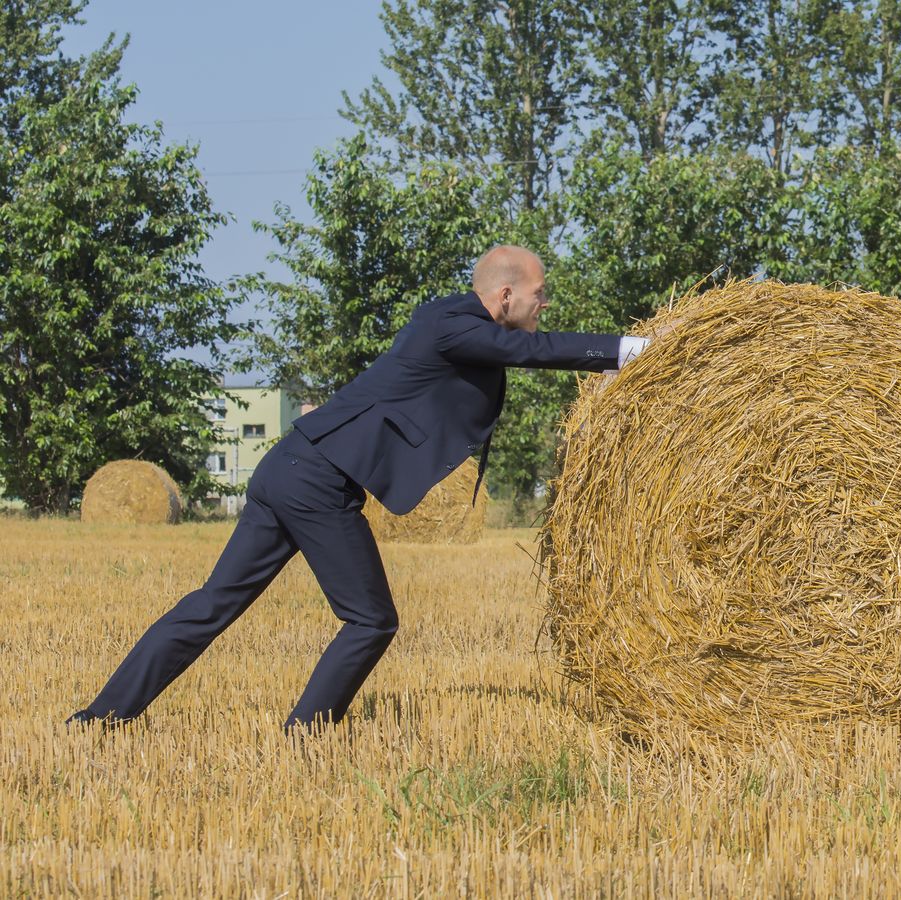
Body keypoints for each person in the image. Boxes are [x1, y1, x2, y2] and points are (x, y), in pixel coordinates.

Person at [68, 246, 651, 730]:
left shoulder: (455, 324)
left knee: (213, 603)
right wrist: (634, 351)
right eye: (539, 294)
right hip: (316, 480)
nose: (544, 304)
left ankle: (102, 716)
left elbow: (509, 357)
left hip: (291, 467)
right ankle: (306, 733)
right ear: (504, 296)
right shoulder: (454, 324)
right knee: (371, 619)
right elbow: (529, 351)